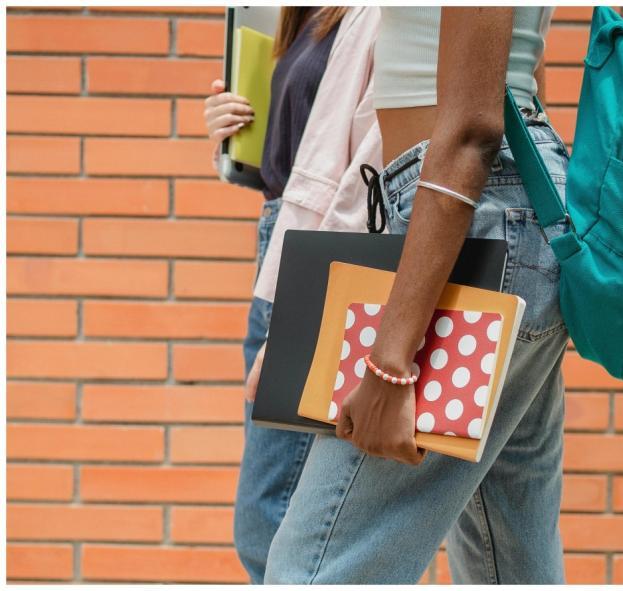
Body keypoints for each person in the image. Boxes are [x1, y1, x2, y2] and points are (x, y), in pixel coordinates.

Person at [263, 7, 571, 585]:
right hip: (503, 212)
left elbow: (474, 131)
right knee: (508, 557)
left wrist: (391, 362)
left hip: (465, 219)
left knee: (316, 567)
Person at [203, 6, 381, 583]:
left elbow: (364, 166)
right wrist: (234, 135)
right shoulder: (300, 16)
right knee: (277, 515)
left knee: (271, 521)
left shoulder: (373, 12)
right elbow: (301, 155)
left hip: (317, 249)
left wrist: (308, 300)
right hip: (281, 239)